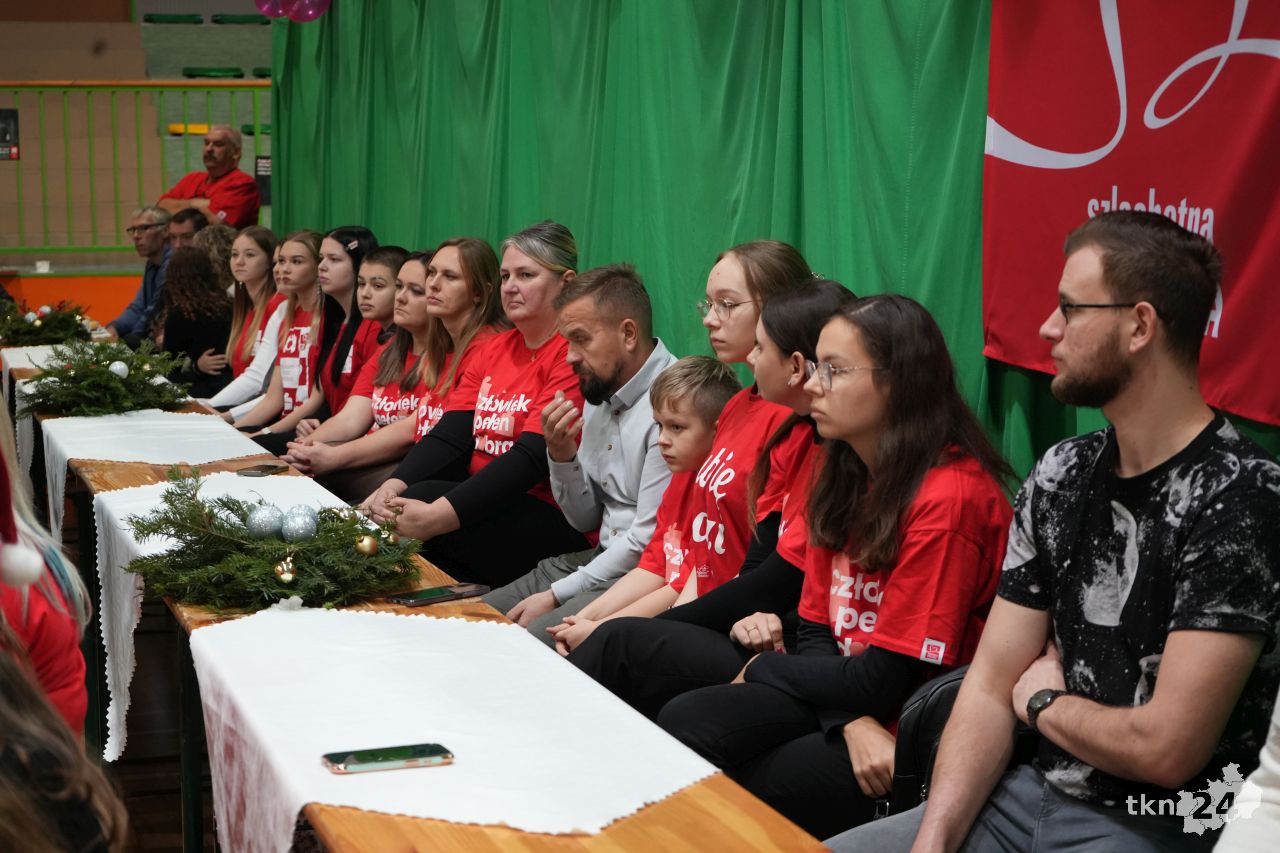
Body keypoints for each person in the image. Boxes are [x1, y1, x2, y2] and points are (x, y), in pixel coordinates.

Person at [831, 211, 1280, 853]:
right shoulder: (1062, 471)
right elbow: (991, 686)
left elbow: (1167, 750)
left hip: (1161, 823)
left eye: (1070, 309)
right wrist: (932, 841)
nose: (1048, 328)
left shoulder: (1241, 495)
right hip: (1024, 795)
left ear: (1140, 326)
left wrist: (1044, 704)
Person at [658, 294, 1014, 840]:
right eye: (816, 366)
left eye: (834, 370)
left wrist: (765, 666)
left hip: (908, 727)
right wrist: (846, 721)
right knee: (686, 719)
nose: (813, 385)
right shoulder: (843, 466)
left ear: (898, 383)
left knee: (758, 783)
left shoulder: (950, 499)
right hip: (846, 701)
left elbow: (884, 678)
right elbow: (816, 628)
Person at [569, 279, 858, 716]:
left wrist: (844, 716)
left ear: (796, 365)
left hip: (783, 635)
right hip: (756, 620)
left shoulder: (809, 440)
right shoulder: (782, 428)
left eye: (760, 346)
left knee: (625, 651)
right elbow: (753, 559)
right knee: (607, 643)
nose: (710, 319)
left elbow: (783, 581)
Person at [546, 240, 813, 654]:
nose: (709, 318)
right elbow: (684, 563)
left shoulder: (791, 424)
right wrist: (595, 619)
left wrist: (616, 629)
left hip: (737, 623)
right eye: (708, 303)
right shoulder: (738, 407)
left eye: (727, 304)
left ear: (777, 308)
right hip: (690, 606)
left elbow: (760, 571)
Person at [363, 220, 592, 587]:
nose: (511, 286)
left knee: (423, 502)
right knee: (405, 498)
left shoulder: (571, 354)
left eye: (526, 275)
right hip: (484, 502)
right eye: (505, 276)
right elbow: (449, 436)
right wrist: (392, 486)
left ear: (566, 282)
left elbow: (532, 458)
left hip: (546, 512)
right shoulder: (493, 349)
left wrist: (440, 515)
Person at [481, 263, 678, 644]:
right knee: (471, 620)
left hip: (642, 575)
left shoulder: (674, 402)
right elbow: (584, 518)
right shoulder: (599, 386)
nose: (570, 356)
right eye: (567, 341)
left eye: (580, 339)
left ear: (628, 333)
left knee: (527, 642)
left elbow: (646, 543)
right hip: (596, 558)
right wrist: (561, 455)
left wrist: (556, 594)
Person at [256, 227, 380, 454]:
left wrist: (264, 434)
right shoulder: (331, 323)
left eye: (334, 259)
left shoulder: (373, 328)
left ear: (358, 265)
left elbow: (356, 414)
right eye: (321, 258)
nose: (322, 266)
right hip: (327, 429)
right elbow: (322, 396)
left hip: (351, 439)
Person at [232, 230, 324, 434]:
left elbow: (315, 401)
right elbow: (274, 398)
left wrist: (260, 435)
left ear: (318, 267)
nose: (283, 269)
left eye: (296, 262)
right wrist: (232, 430)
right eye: (281, 261)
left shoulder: (326, 319)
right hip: (283, 421)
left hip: (307, 428)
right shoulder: (287, 316)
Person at [201, 226, 284, 412]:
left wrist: (209, 408)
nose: (239, 262)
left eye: (250, 255)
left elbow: (259, 381)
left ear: (270, 262)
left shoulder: (279, 305)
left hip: (259, 411)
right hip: (242, 407)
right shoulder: (245, 308)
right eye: (234, 254)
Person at [149, 247, 234, 398]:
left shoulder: (182, 314)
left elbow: (169, 370)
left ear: (173, 277)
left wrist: (196, 368)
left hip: (204, 388)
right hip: (232, 384)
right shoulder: (228, 303)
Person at [157, 124, 260, 229]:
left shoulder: (242, 183)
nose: (209, 149)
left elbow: (217, 223)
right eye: (206, 143)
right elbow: (160, 209)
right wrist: (195, 203)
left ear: (236, 153)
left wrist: (181, 206)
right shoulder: (191, 178)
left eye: (218, 144)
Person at [108, 205, 171, 346]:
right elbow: (138, 306)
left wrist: (131, 339)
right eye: (133, 230)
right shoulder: (152, 264)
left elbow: (154, 310)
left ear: (166, 231)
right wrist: (114, 327)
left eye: (144, 228)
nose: (136, 236)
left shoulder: (172, 263)